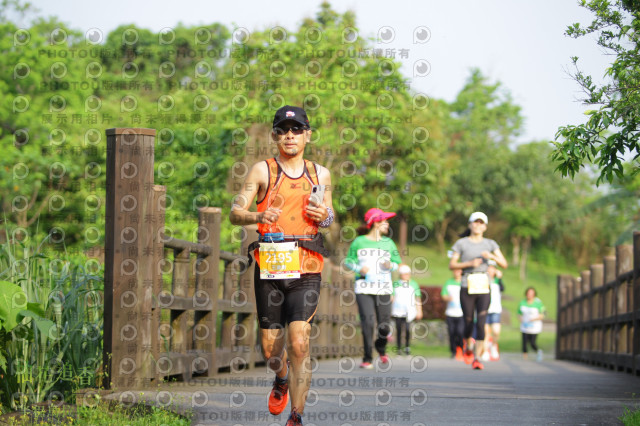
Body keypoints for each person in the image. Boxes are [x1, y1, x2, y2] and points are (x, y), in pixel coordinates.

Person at [229, 105, 334, 426]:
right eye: (284, 130)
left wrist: (324, 217)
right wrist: (257, 216)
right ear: (275, 135)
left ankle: (297, 416)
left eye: (297, 129)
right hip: (271, 268)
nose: (290, 135)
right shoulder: (263, 171)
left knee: (300, 342)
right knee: (271, 350)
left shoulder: (320, 174)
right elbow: (235, 211)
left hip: (307, 268)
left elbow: (328, 215)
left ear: (307, 135)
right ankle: (281, 379)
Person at [449, 211, 507, 370]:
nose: (478, 225)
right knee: (468, 321)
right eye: (475, 222)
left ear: (485, 227)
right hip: (467, 285)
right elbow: (452, 264)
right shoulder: (461, 243)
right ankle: (468, 345)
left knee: (481, 323)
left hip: (483, 286)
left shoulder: (490, 244)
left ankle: (478, 357)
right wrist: (469, 264)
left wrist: (492, 257)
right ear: (470, 224)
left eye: (481, 223)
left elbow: (504, 263)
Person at [345, 208, 402, 369]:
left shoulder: (389, 243)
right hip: (363, 288)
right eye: (384, 220)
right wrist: (358, 268)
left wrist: (391, 265)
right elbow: (348, 261)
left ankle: (381, 346)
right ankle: (367, 357)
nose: (387, 223)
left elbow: (398, 263)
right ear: (375, 223)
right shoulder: (359, 241)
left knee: (384, 325)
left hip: (384, 289)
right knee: (368, 323)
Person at [391, 264, 423, 355]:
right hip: (397, 310)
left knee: (408, 329)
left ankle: (407, 347)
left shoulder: (414, 284)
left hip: (409, 310)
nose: (405, 276)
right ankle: (398, 348)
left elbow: (417, 298)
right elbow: (392, 297)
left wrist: (419, 310)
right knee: (399, 329)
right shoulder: (396, 283)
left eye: (407, 274)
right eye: (404, 274)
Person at [441, 268, 464, 360]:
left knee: (460, 332)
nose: (457, 273)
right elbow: (443, 295)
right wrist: (447, 298)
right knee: (451, 332)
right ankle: (453, 351)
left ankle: (461, 348)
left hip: (461, 313)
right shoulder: (448, 282)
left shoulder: (464, 283)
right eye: (455, 271)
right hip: (450, 312)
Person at [483, 262, 504, 361]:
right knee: (486, 333)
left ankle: (494, 345)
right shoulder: (483, 280)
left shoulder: (497, 281)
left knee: (496, 332)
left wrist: (500, 278)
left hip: (495, 309)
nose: (491, 271)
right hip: (485, 309)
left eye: (493, 269)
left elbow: (502, 289)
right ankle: (486, 351)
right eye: (489, 268)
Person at [519, 287, 546, 362]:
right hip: (525, 326)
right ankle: (524, 359)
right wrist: (521, 319)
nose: (529, 295)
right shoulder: (522, 302)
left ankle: (539, 352)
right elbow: (519, 313)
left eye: (531, 294)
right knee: (524, 343)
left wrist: (533, 319)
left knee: (532, 343)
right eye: (528, 294)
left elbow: (542, 315)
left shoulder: (538, 303)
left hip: (534, 327)